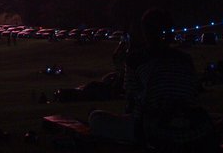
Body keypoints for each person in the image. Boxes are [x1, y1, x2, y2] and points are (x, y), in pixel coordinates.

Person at [88, 9, 205, 146]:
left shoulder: (137, 59)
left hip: (152, 129)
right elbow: (193, 94)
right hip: (189, 127)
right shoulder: (186, 59)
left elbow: (131, 98)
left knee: (95, 117)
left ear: (145, 32)